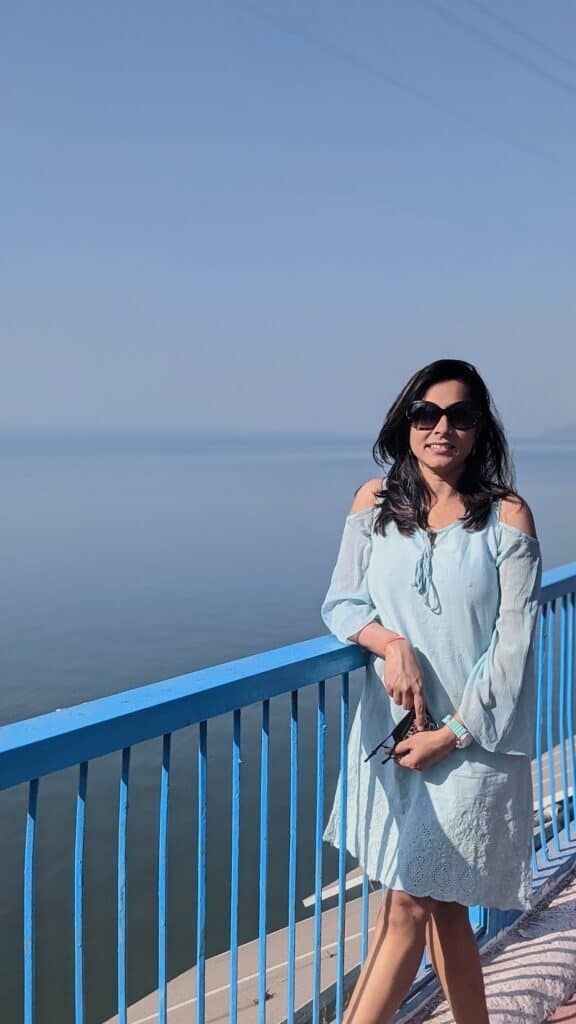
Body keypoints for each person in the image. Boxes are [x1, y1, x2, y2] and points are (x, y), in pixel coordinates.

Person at [320, 358, 542, 1024]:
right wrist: (392, 644)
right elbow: (341, 602)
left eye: (460, 415)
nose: (441, 427)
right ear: (406, 420)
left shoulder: (507, 517)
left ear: (480, 431)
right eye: (427, 412)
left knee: (406, 906)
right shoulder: (373, 505)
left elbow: (513, 649)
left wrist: (454, 733)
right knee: (442, 904)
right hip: (401, 740)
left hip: (470, 746)